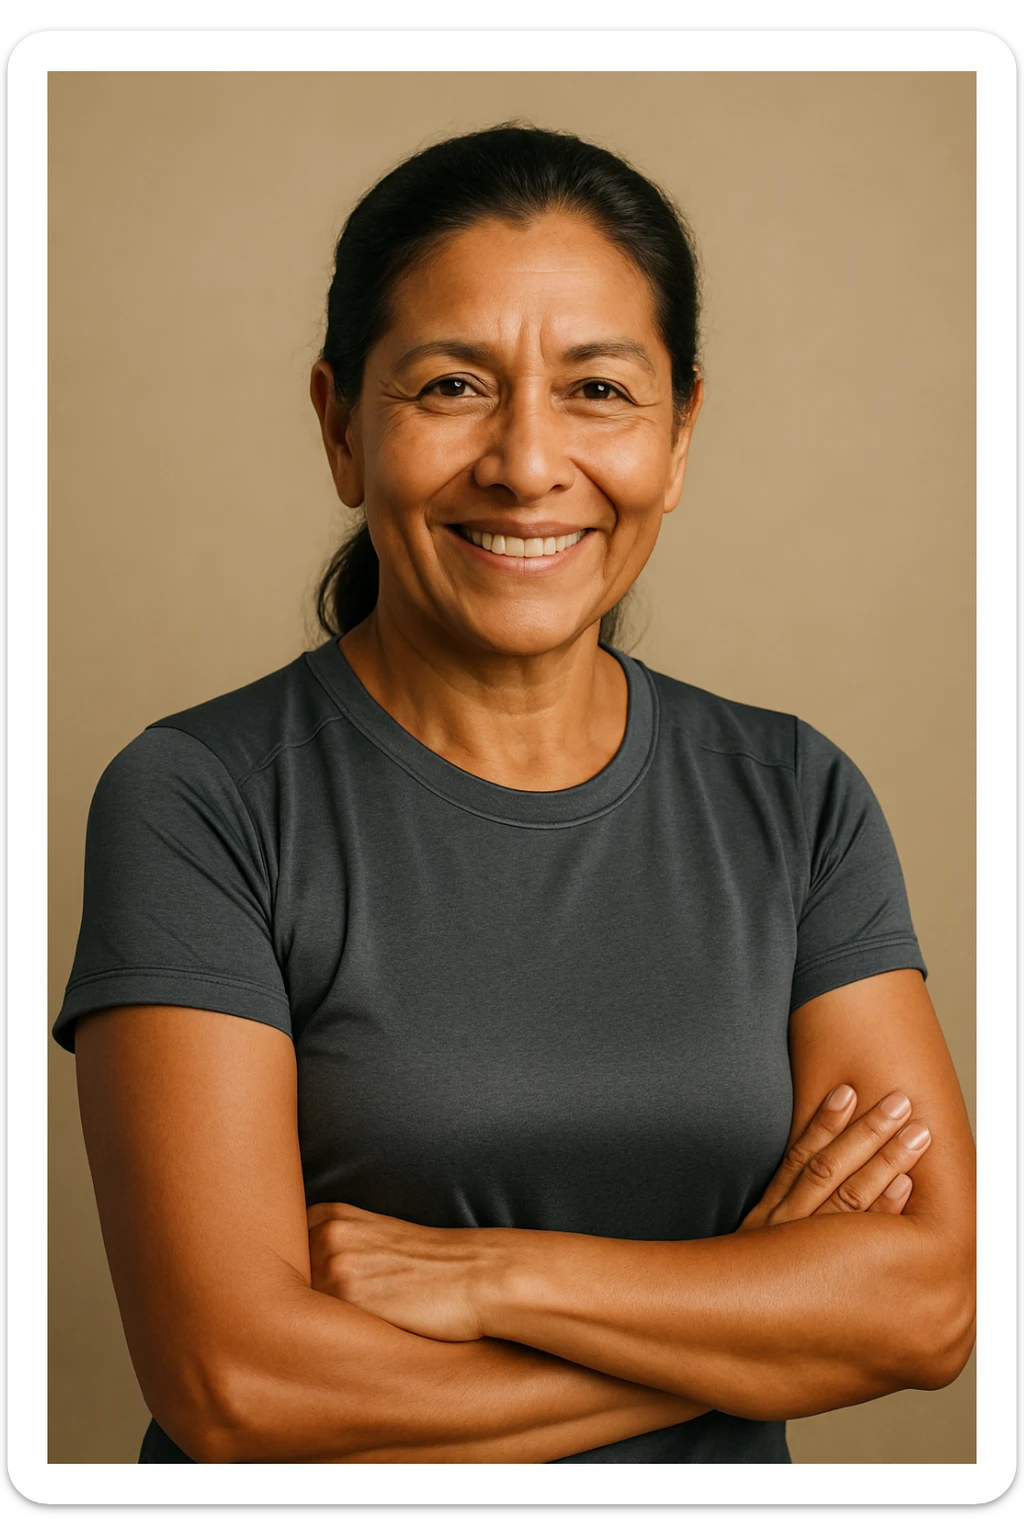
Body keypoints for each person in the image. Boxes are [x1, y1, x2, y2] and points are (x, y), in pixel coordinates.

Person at [54, 124, 976, 1466]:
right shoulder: (200, 800)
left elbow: (930, 1304)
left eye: (599, 391)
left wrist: (497, 1277)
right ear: (340, 426)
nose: (529, 462)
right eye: (449, 387)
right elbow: (237, 1389)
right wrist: (753, 1320)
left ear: (680, 433)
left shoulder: (796, 797)